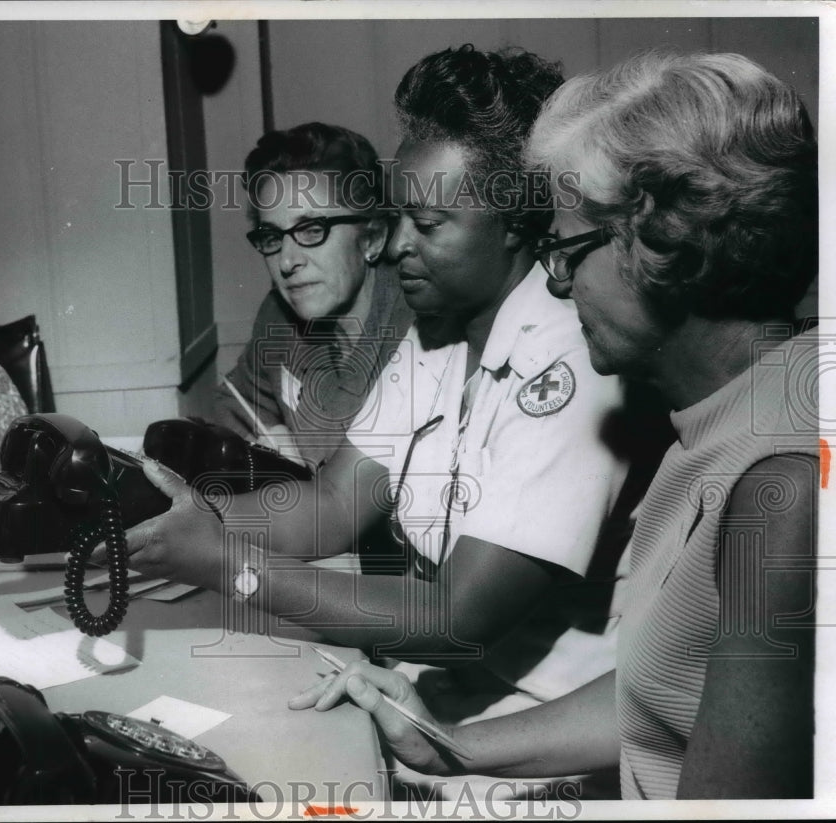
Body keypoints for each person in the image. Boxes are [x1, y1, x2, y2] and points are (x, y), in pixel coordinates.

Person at [290, 50, 819, 800]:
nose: (558, 281)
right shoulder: (707, 426)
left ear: (668, 251)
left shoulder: (782, 480)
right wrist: (453, 746)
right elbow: (661, 694)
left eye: (568, 249)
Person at [120, 44, 632, 702]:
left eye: (426, 223)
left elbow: (457, 617)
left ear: (514, 220)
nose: (395, 245)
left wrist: (228, 563)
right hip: (426, 692)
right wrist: (176, 511)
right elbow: (330, 505)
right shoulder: (439, 336)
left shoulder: (571, 363)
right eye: (397, 220)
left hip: (528, 731)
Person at [212, 122, 413, 472]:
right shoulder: (278, 315)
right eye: (272, 237)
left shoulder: (418, 327)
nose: (287, 262)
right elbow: (234, 405)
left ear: (373, 238)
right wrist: (270, 439)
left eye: (311, 229)